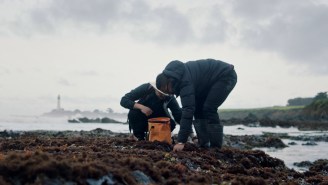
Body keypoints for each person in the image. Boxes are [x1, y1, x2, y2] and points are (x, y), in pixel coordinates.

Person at [156, 58, 237, 151]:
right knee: (198, 109)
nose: (170, 94)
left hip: (225, 75)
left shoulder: (184, 81)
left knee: (209, 108)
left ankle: (216, 147)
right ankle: (204, 144)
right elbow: (192, 109)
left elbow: (187, 111)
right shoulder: (179, 77)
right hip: (206, 84)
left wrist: (181, 142)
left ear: (169, 81)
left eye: (166, 90)